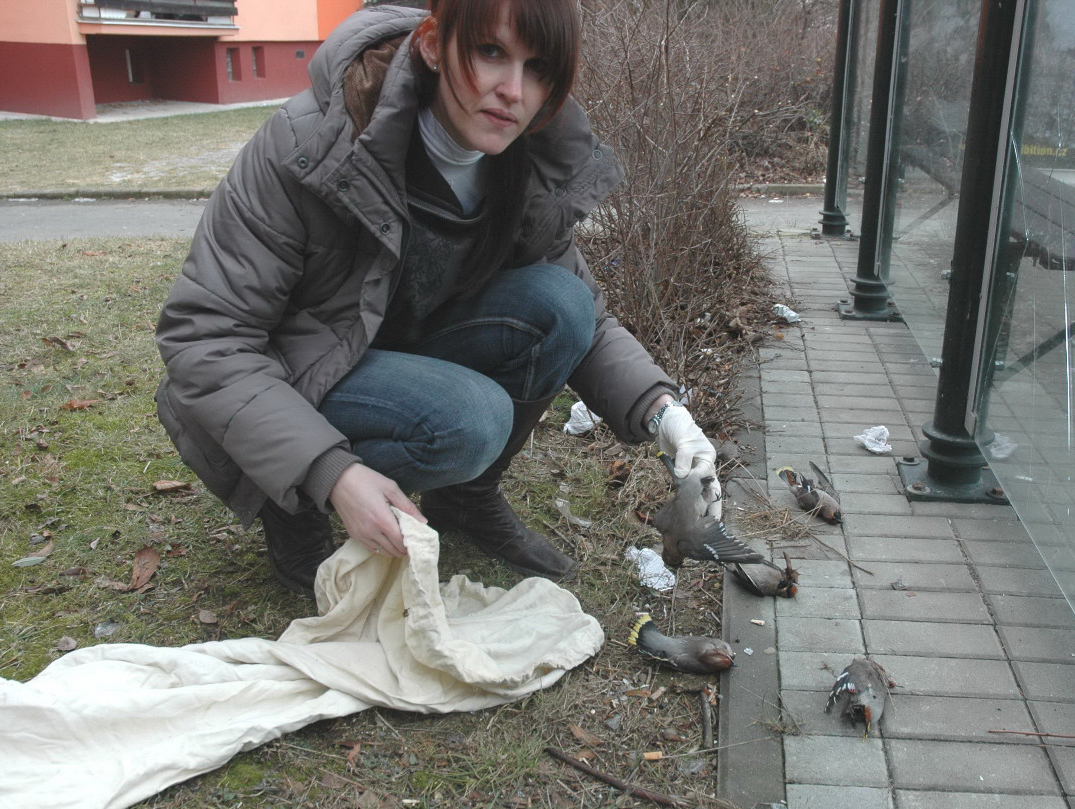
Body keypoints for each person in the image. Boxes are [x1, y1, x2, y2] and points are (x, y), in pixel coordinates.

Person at [154, 0, 721, 600]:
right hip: (299, 373)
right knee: (471, 420)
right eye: (491, 52)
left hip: (399, 351)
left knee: (561, 304)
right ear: (431, 44)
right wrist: (332, 472)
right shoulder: (311, 143)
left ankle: (466, 502)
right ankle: (293, 507)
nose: (513, 91)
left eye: (539, 69)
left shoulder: (523, 163)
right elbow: (206, 339)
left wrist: (666, 415)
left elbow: (585, 311)